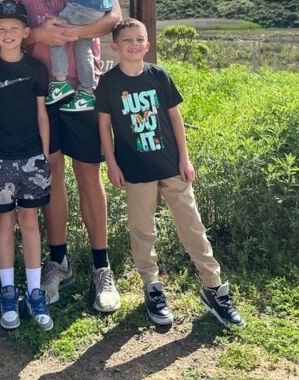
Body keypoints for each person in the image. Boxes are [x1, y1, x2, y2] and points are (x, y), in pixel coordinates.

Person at [5, 0, 122, 313]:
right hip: (42, 91)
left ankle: (101, 269)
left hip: (84, 88)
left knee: (89, 176)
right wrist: (40, 34)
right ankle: (58, 262)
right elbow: (10, 31)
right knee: (51, 174)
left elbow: (114, 18)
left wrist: (74, 33)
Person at [96, 18, 246, 329]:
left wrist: (185, 159)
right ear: (115, 46)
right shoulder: (109, 83)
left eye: (140, 39)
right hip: (135, 170)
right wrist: (111, 163)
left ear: (148, 45)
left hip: (171, 165)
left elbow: (176, 119)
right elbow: (104, 127)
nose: (134, 44)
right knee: (142, 230)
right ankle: (152, 287)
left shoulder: (159, 75)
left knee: (192, 226)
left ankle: (214, 288)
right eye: (127, 40)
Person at [0, 0, 53, 331]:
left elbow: (42, 114)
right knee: (4, 225)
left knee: (31, 223)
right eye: (1, 29)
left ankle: (35, 292)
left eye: (14, 28)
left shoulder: (36, 69)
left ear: (25, 32)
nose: (8, 34)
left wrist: (45, 156)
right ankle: (9, 292)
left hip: (32, 158)